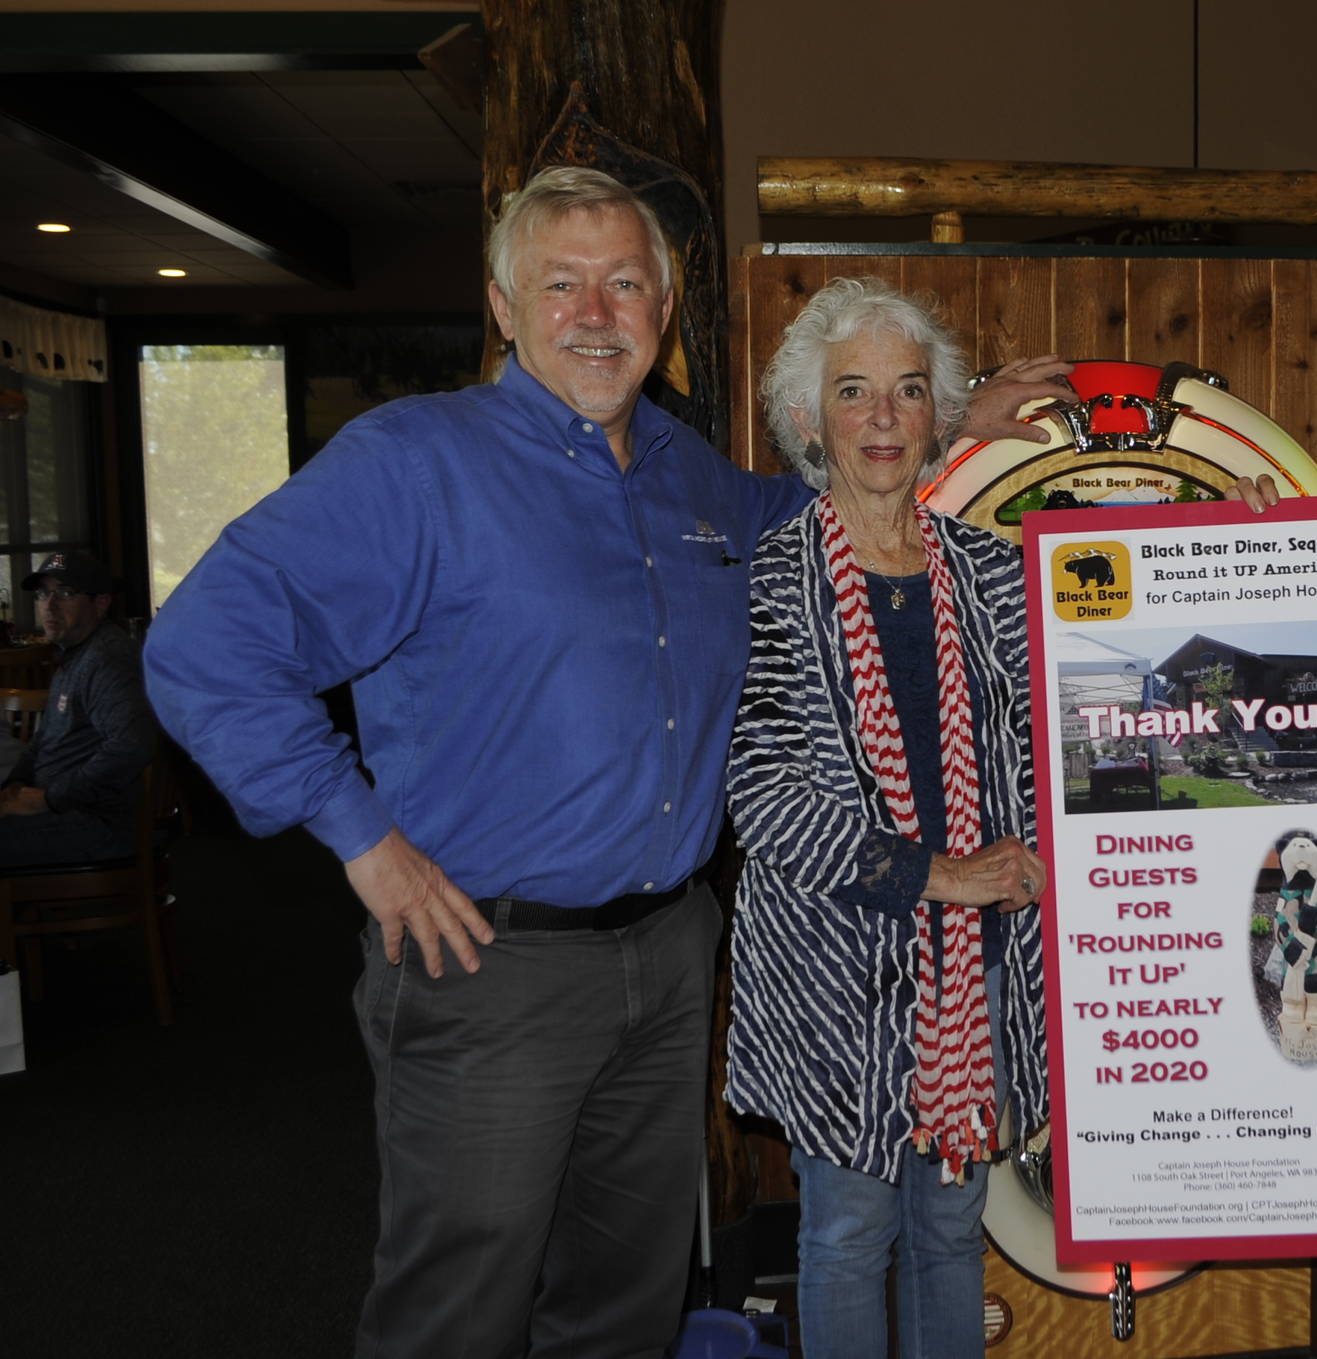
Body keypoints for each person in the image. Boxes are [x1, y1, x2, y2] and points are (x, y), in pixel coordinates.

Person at [143, 169, 1070, 1359]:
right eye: (561, 283)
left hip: (669, 960)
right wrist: (360, 840)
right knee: (456, 1313)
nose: (596, 312)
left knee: (622, 1309)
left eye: (624, 283)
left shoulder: (692, 480)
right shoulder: (416, 464)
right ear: (502, 305)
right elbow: (204, 646)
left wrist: (956, 418)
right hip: (488, 965)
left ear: (664, 309)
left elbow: (848, 500)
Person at [723, 277, 1050, 1359]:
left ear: (934, 418)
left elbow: (1071, 732)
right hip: (835, 975)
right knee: (849, 1233)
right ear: (807, 420)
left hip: (976, 968)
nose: (880, 418)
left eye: (906, 392)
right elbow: (764, 799)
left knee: (954, 1229)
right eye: (853, 392)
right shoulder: (768, 578)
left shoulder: (992, 573)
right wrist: (941, 877)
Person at [0, 550, 153, 865]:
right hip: (63, 810)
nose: (49, 605)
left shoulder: (107, 659)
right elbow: (44, 740)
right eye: (43, 594)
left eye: (66, 594)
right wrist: (14, 785)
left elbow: (132, 744)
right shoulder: (73, 652)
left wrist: (48, 799)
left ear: (101, 603)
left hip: (94, 823)